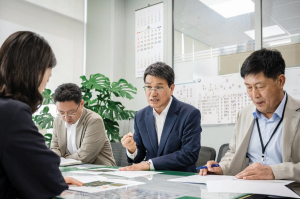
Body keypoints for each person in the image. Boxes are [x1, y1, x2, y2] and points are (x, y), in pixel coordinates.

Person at [0, 31, 83, 199]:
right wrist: (49, 177)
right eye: (48, 78)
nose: (45, 85)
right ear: (35, 72)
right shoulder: (11, 112)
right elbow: (46, 171)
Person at [199, 48, 300, 182]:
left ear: (280, 81)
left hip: (290, 192)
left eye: (260, 87)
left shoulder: (296, 113)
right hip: (248, 191)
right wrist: (221, 167)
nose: (254, 95)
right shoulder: (245, 114)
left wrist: (274, 172)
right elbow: (234, 152)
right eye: (249, 87)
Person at [120, 62, 201, 172]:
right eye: (148, 87)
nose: (152, 93)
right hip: (151, 182)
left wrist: (149, 164)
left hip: (180, 180)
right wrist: (132, 149)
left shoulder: (190, 114)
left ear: (171, 88)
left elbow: (189, 154)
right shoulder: (140, 116)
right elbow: (139, 155)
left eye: (159, 87)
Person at [50, 83, 116, 166]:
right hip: (73, 171)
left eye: (71, 112)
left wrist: (63, 159)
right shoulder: (58, 120)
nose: (66, 118)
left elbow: (84, 157)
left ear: (81, 104)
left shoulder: (94, 121)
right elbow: (55, 149)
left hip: (99, 172)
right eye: (61, 112)